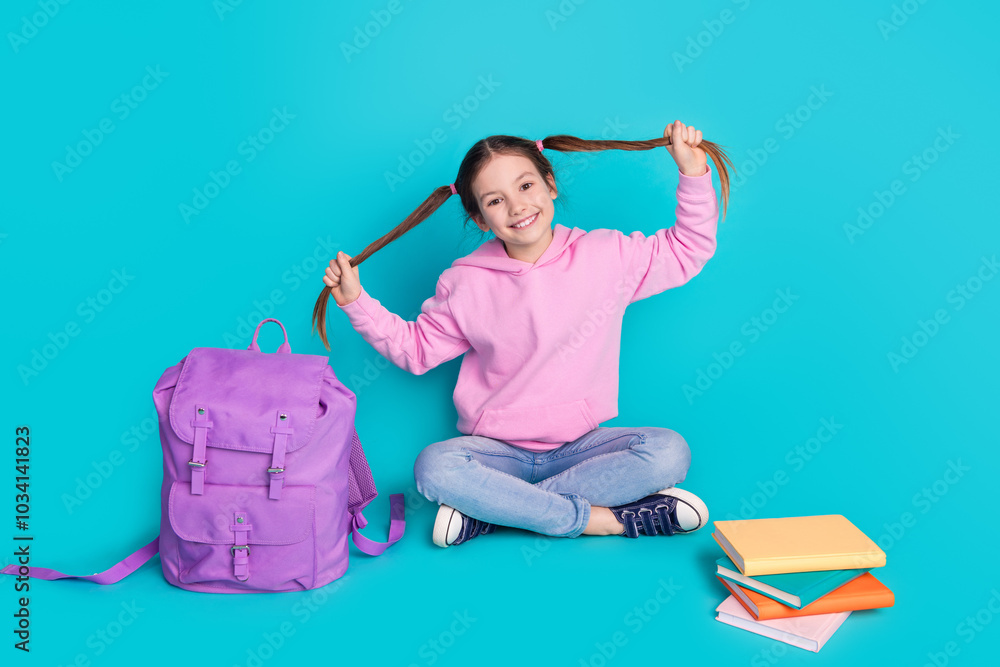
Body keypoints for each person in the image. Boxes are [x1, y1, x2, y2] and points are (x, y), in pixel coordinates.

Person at [314, 120, 733, 547]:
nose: (517, 207)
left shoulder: (607, 256)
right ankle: (604, 520)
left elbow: (687, 249)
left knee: (669, 451)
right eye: (496, 200)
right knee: (434, 468)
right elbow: (416, 351)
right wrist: (356, 301)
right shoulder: (464, 284)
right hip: (498, 456)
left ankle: (494, 513)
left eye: (526, 186)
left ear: (550, 184)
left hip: (582, 448)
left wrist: (693, 173)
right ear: (479, 219)